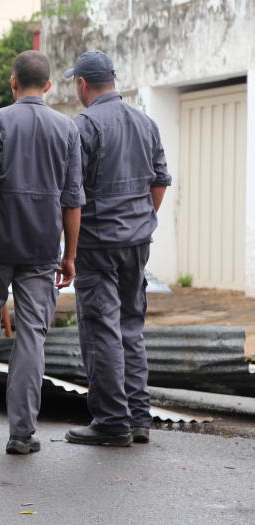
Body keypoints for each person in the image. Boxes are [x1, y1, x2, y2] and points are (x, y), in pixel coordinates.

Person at [0, 50, 84, 455]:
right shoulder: (67, 130)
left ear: (12, 82)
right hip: (42, 250)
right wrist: (70, 254)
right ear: (47, 86)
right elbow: (72, 200)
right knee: (30, 339)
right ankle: (22, 434)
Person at [62, 51, 171, 447]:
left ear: (83, 84)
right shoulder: (146, 121)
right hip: (136, 242)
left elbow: (72, 194)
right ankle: (138, 418)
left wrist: (69, 251)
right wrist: (141, 219)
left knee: (101, 328)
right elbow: (159, 182)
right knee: (130, 326)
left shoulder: (85, 125)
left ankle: (111, 421)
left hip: (97, 242)